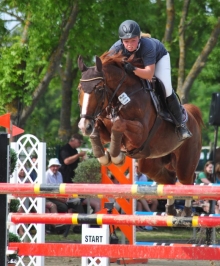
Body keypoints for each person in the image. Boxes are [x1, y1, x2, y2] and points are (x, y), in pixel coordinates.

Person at [109, 20, 192, 141]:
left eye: (133, 40)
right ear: (121, 40)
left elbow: (149, 74)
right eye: (126, 41)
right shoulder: (116, 49)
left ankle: (180, 125)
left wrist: (132, 69)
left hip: (158, 60)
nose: (130, 44)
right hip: (137, 65)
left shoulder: (147, 46)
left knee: (166, 88)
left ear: (139, 37)